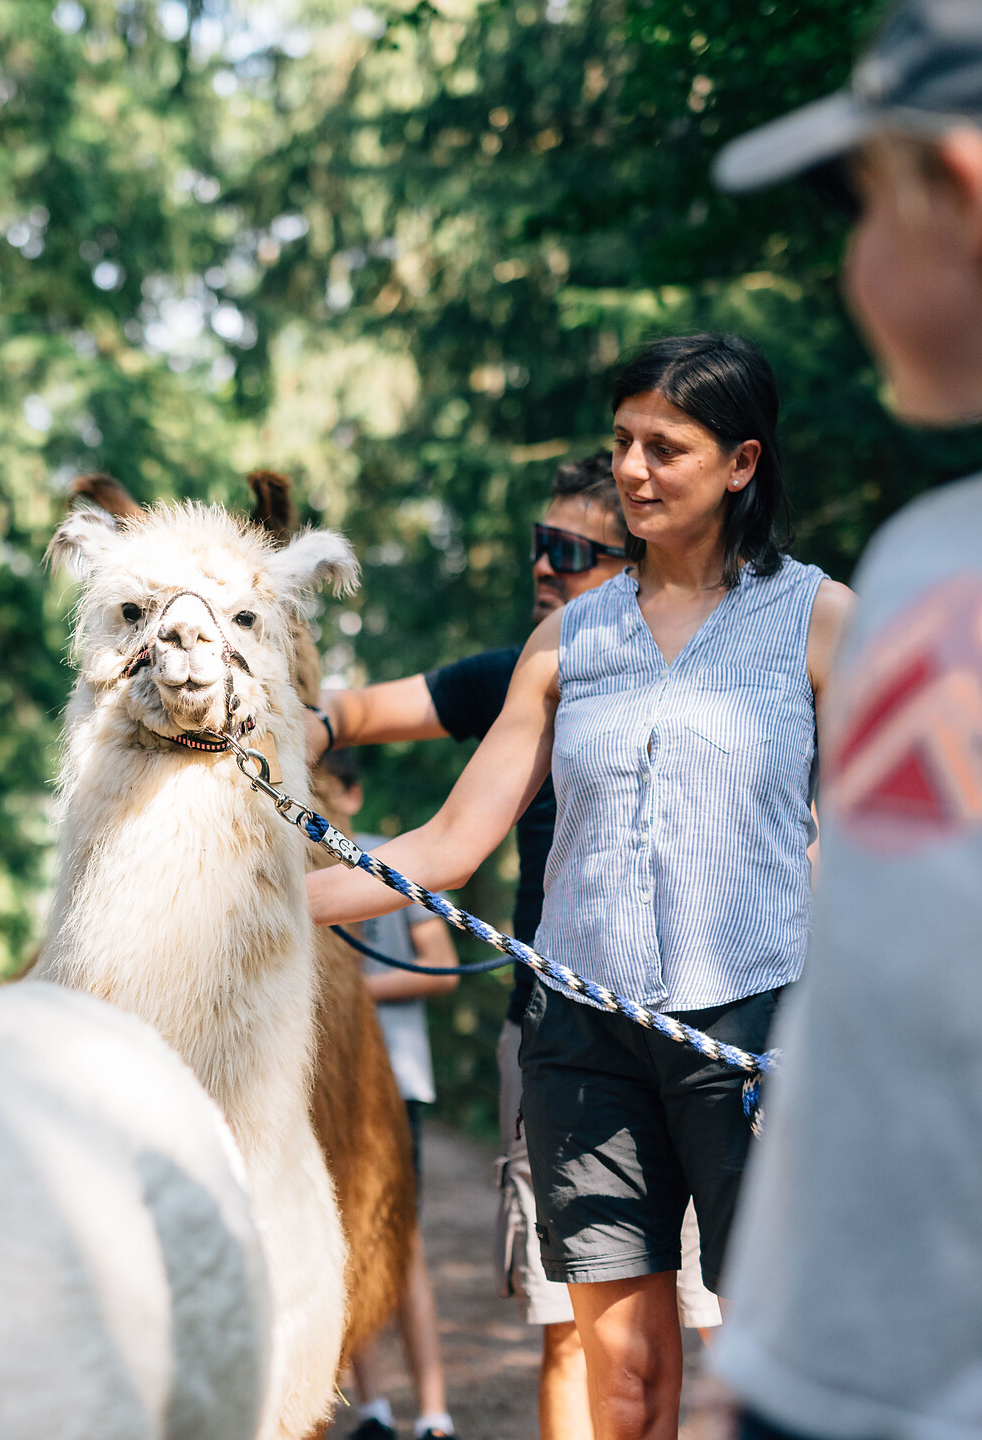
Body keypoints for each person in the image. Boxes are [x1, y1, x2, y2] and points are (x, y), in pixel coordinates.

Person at [308, 332, 855, 1440]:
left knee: (768, 1370)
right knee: (626, 1385)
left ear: (742, 463)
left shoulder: (820, 619)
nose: (633, 470)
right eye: (623, 442)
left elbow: (879, 831)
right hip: (584, 1042)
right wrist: (257, 904)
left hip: (751, 1033)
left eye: (667, 447)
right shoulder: (567, 641)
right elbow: (447, 846)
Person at [705, 4, 982, 1437]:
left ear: (966, 196)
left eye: (863, 202)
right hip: (821, 1373)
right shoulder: (926, 558)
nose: (849, 252)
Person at [312, 453, 722, 1440]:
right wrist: (297, 726)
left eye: (571, 550)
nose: (543, 564)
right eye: (541, 543)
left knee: (726, 1326)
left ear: (639, 558)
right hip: (560, 1040)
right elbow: (370, 730)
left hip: (712, 1030)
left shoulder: (731, 664)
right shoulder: (519, 673)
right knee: (575, 1333)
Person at [321, 746, 462, 1440]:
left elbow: (443, 968)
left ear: (351, 794)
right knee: (340, 1241)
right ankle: (371, 1408)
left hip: (393, 1080)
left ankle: (434, 1414)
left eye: (327, 788)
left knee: (401, 1247)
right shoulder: (300, 868)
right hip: (328, 1084)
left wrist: (351, 994)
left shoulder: (392, 859)